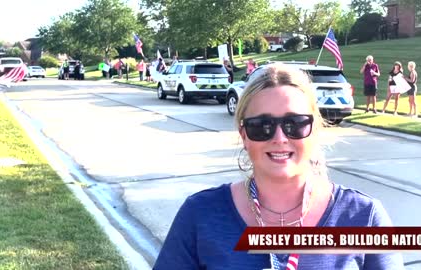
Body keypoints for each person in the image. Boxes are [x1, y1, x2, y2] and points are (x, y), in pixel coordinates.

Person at [153, 64, 404, 269]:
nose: (280, 138)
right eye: (261, 125)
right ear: (244, 135)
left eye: (295, 123)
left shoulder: (364, 217)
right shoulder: (200, 215)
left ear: (314, 129)